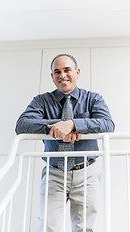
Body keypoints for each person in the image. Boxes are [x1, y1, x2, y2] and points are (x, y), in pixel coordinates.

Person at [15, 54, 115, 232]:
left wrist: (74, 124)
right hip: (54, 173)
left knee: (85, 227)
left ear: (77, 72)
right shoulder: (41, 101)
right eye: (57, 71)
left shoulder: (93, 99)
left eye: (67, 70)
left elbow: (107, 124)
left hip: (86, 172)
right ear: (52, 77)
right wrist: (57, 127)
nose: (62, 75)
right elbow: (22, 125)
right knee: (46, 225)